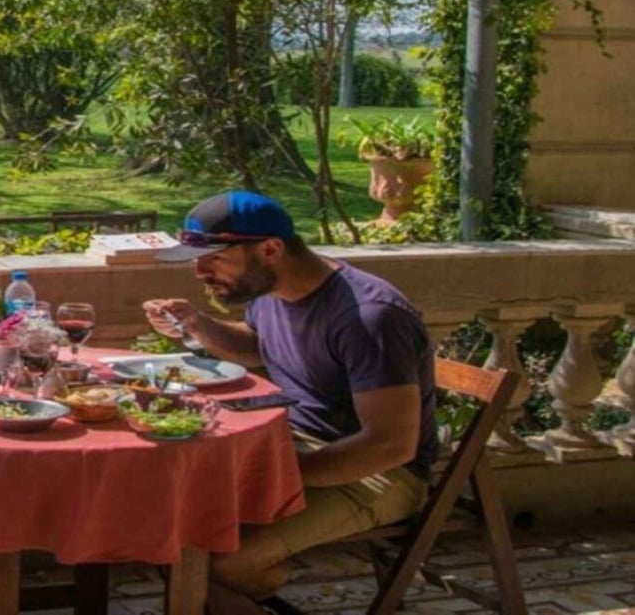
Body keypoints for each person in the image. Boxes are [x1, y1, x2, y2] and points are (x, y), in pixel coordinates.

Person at [144, 191, 437, 615]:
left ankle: (241, 585)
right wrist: (197, 324)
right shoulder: (270, 289)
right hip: (296, 442)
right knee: (169, 523)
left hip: (378, 475)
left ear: (271, 249)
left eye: (214, 258)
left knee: (217, 559)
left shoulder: (369, 317)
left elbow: (391, 445)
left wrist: (275, 474)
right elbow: (261, 349)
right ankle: (249, 587)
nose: (200, 273)